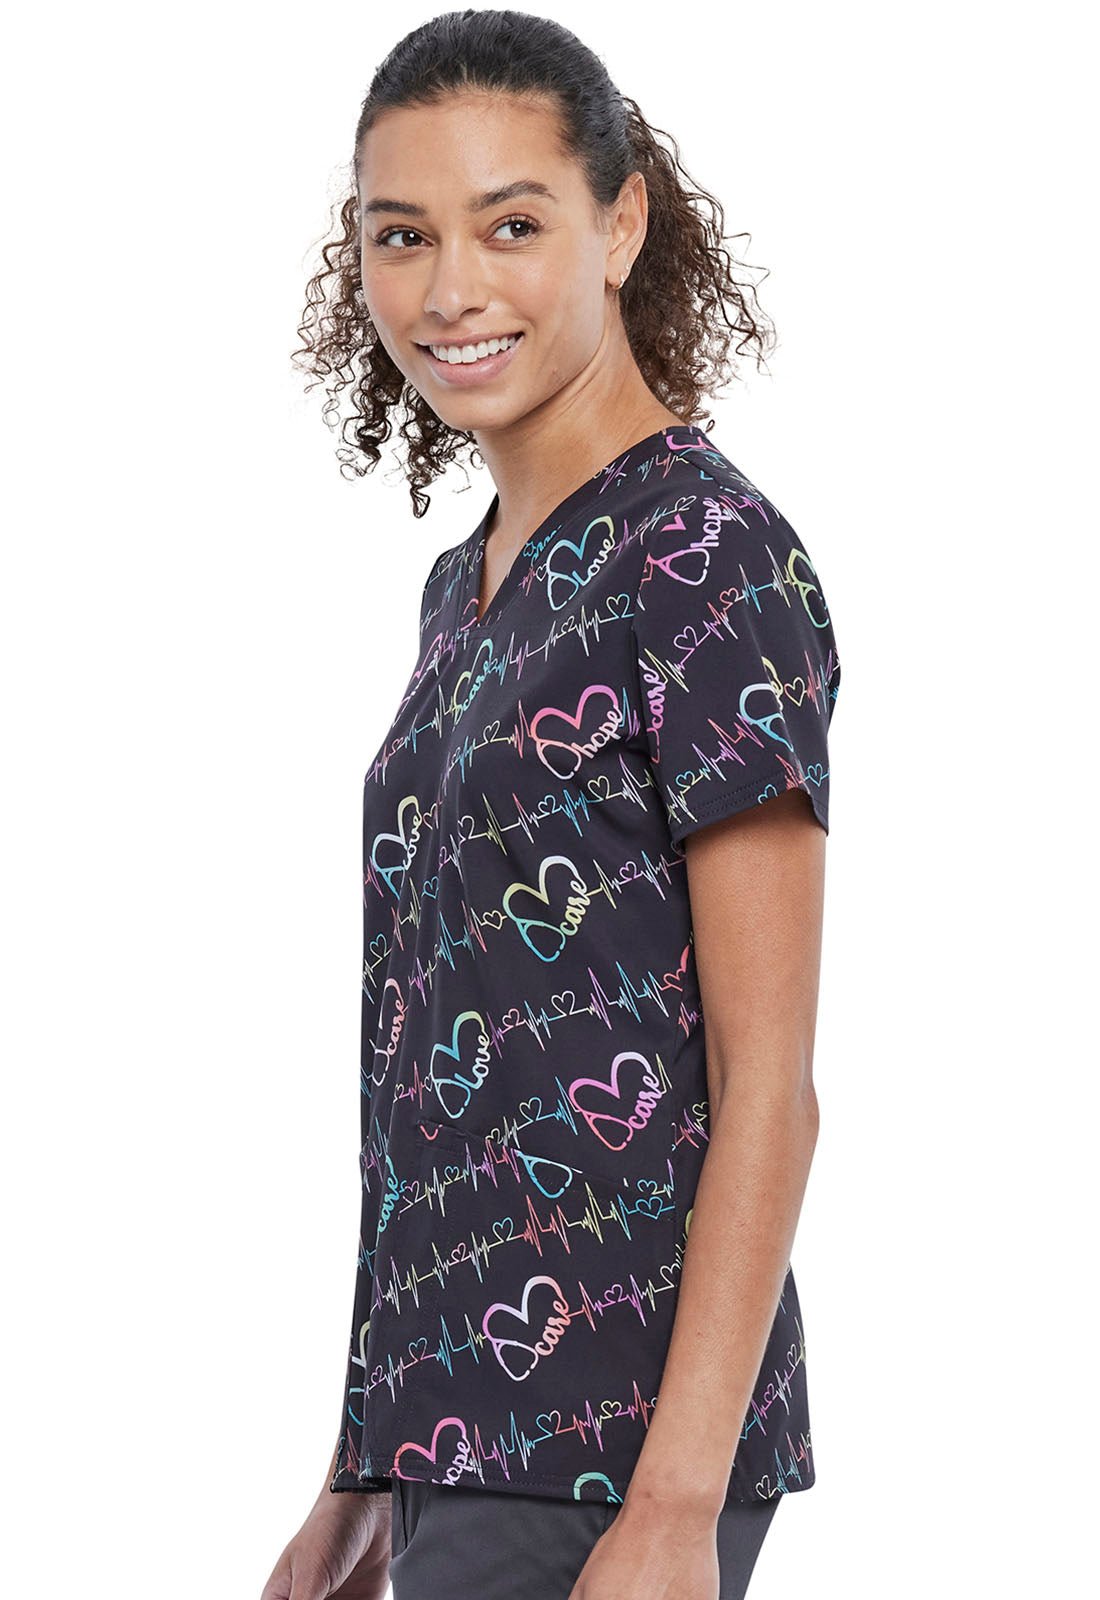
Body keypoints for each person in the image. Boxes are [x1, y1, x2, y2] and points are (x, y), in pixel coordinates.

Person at [264, 11, 841, 1599]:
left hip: (611, 1443)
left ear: (622, 224)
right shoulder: (465, 591)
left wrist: (673, 1508)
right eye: (403, 236)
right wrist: (364, 1464)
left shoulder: (704, 558)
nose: (450, 289)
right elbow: (440, 1067)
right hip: (457, 1431)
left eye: (511, 225)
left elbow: (770, 1082)